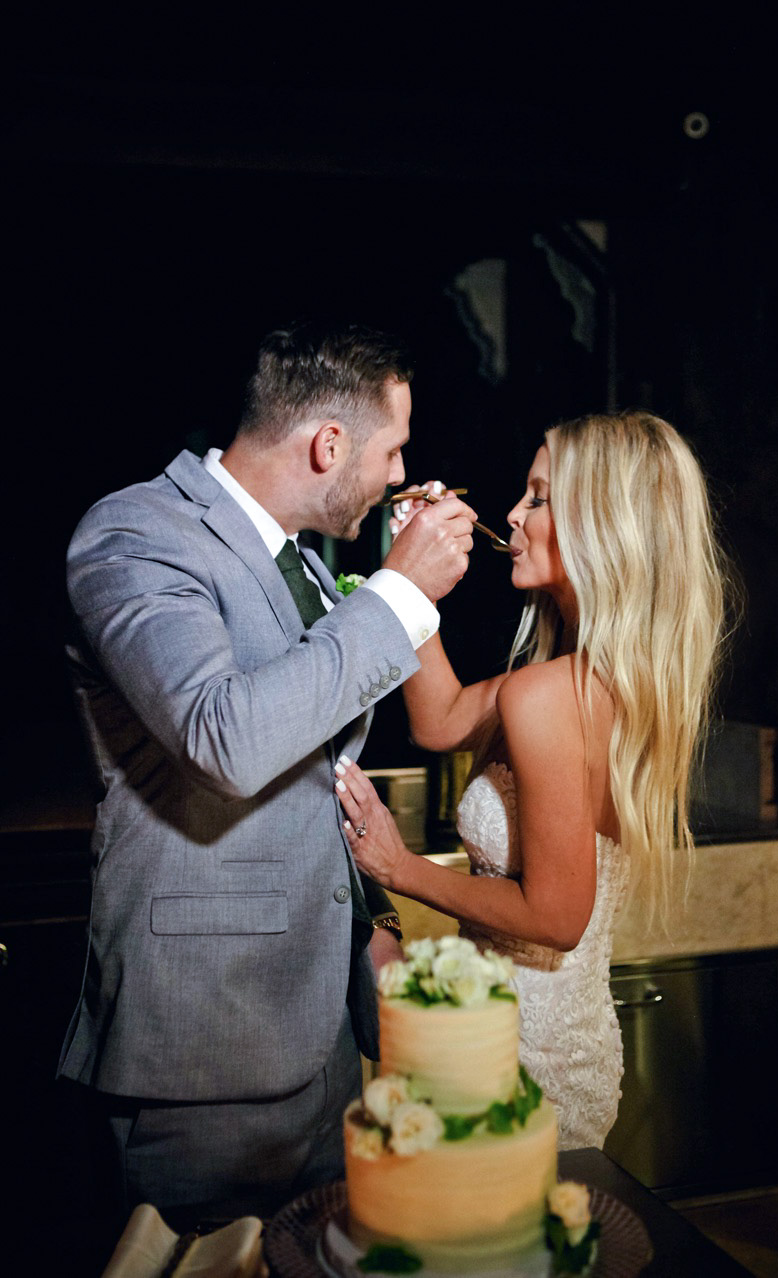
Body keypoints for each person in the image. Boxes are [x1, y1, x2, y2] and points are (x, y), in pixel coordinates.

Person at [58, 319, 476, 1223]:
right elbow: (225, 739)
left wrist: (372, 926)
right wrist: (400, 589)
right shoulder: (135, 534)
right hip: (208, 1045)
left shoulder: (305, 570)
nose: (401, 474)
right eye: (392, 451)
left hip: (320, 1033)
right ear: (330, 444)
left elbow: (320, 772)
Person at [335, 411, 730, 1149]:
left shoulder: (548, 695)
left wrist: (400, 868)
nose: (511, 515)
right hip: (549, 1036)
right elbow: (442, 720)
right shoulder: (604, 681)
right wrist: (408, 578)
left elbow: (555, 917)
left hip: (518, 1057)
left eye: (538, 497)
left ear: (601, 522)